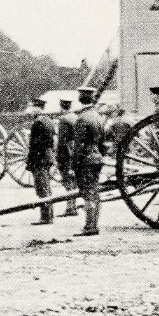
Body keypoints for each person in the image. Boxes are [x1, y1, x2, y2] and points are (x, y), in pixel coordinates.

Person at [72, 87, 106, 236]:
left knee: (87, 194)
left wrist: (75, 164)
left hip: (86, 159)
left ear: (81, 98)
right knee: (95, 192)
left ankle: (90, 227)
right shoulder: (98, 116)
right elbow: (103, 142)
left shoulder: (82, 118)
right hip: (97, 157)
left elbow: (78, 145)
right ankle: (94, 224)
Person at [26, 98, 56, 225]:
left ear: (38, 108)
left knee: (42, 188)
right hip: (46, 157)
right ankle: (49, 215)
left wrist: (30, 160)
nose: (30, 110)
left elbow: (36, 144)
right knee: (46, 187)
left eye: (32, 107)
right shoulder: (48, 120)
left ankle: (46, 217)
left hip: (39, 158)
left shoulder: (38, 122)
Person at [56, 99, 79, 217]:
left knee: (67, 181)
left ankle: (70, 208)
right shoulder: (75, 117)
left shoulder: (63, 119)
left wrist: (57, 156)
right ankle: (72, 206)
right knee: (73, 181)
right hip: (76, 151)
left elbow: (62, 141)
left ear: (61, 107)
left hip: (66, 154)